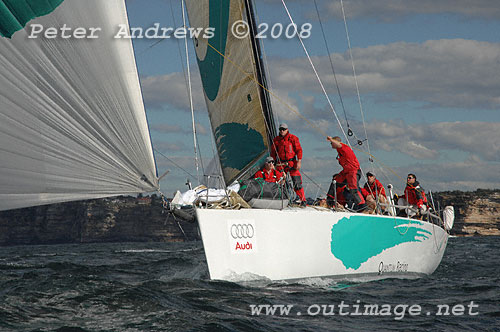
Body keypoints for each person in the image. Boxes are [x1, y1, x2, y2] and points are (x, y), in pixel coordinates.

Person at [326, 136, 366, 211]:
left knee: (353, 189)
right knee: (335, 182)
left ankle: (362, 206)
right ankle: (330, 200)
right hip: (346, 171)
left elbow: (339, 144)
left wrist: (331, 139)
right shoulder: (339, 150)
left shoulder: (343, 147)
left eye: (331, 143)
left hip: (353, 171)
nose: (331, 144)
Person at [271, 123, 306, 203]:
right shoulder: (276, 140)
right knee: (280, 182)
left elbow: (299, 150)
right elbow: (273, 153)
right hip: (280, 164)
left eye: (284, 129)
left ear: (287, 130)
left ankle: (303, 200)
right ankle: (283, 200)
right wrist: (273, 163)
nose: (282, 131)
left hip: (292, 163)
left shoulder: (293, 138)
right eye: (280, 129)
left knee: (297, 182)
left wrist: (299, 161)